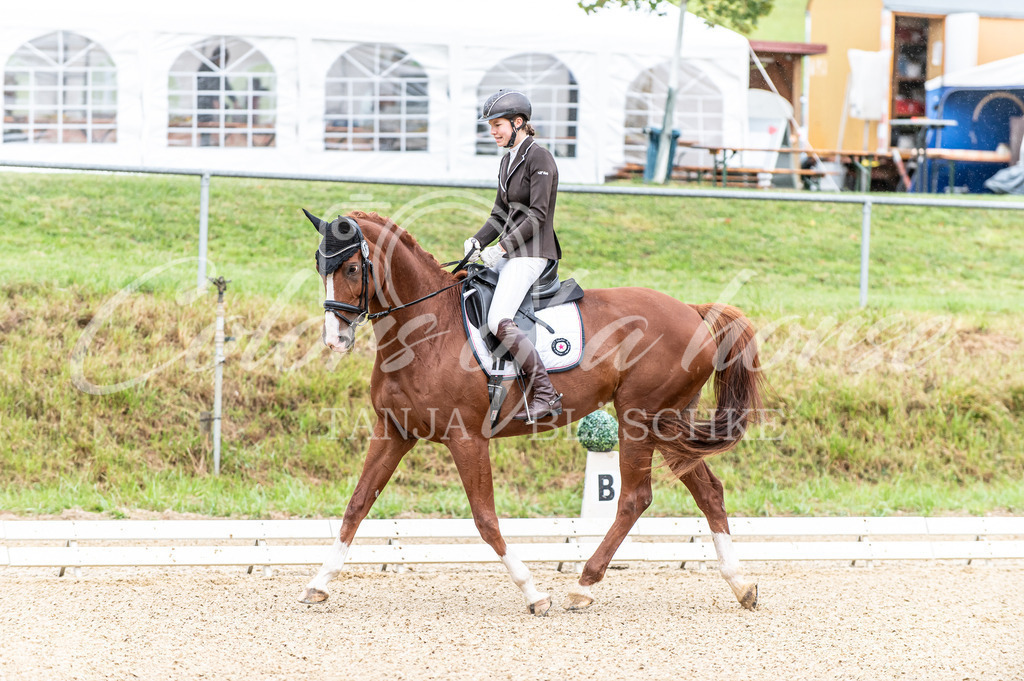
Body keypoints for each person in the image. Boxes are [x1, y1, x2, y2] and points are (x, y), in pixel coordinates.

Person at [464, 89, 563, 423]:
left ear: (519, 122)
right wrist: (477, 243)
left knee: (497, 318)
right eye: (490, 126)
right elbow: (498, 213)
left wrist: (501, 248)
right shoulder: (507, 160)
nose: (493, 131)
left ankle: (545, 393)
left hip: (533, 252)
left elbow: (537, 216)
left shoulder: (540, 158)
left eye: (498, 125)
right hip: (511, 251)